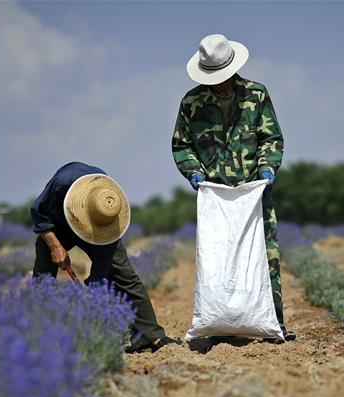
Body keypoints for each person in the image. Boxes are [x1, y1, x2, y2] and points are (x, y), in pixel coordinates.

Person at [171, 34, 295, 342]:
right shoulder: (192, 103)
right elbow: (181, 145)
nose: (220, 83)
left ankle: (272, 324)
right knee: (215, 259)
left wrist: (267, 166)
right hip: (215, 197)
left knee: (266, 258)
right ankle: (218, 324)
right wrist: (195, 173)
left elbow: (271, 139)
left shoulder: (256, 95)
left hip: (254, 193)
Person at [30, 162, 181, 353]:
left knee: (125, 275)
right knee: (43, 275)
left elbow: (101, 270)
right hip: (58, 222)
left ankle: (150, 335)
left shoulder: (108, 207)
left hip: (98, 227)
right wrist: (55, 246)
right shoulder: (62, 183)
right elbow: (38, 213)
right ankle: (37, 331)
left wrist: (94, 295)